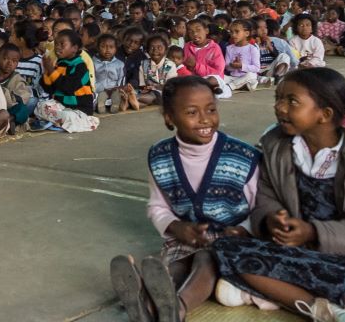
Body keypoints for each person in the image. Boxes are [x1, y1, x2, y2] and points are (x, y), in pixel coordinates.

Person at [210, 68, 345, 319]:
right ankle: (319, 306)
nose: (279, 107)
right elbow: (266, 196)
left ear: (324, 114)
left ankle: (268, 292)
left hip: (339, 258)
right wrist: (271, 219)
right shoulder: (276, 146)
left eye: (292, 101)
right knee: (223, 247)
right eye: (278, 98)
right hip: (290, 252)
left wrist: (312, 232)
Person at [110, 76, 261, 322]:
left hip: (234, 242)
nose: (205, 119)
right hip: (185, 239)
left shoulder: (243, 157)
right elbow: (157, 206)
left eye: (211, 109)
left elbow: (261, 208)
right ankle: (145, 305)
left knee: (205, 258)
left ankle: (176, 309)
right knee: (176, 264)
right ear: (169, 118)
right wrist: (176, 227)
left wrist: (244, 229)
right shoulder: (159, 155)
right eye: (192, 112)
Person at [223, 19, 261, 92]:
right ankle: (239, 85)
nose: (233, 35)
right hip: (233, 78)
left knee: (252, 76)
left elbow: (256, 68)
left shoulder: (252, 49)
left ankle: (230, 87)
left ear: (247, 33)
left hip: (247, 77)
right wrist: (232, 65)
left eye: (237, 31)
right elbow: (227, 68)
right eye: (231, 32)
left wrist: (241, 66)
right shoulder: (229, 48)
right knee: (219, 77)